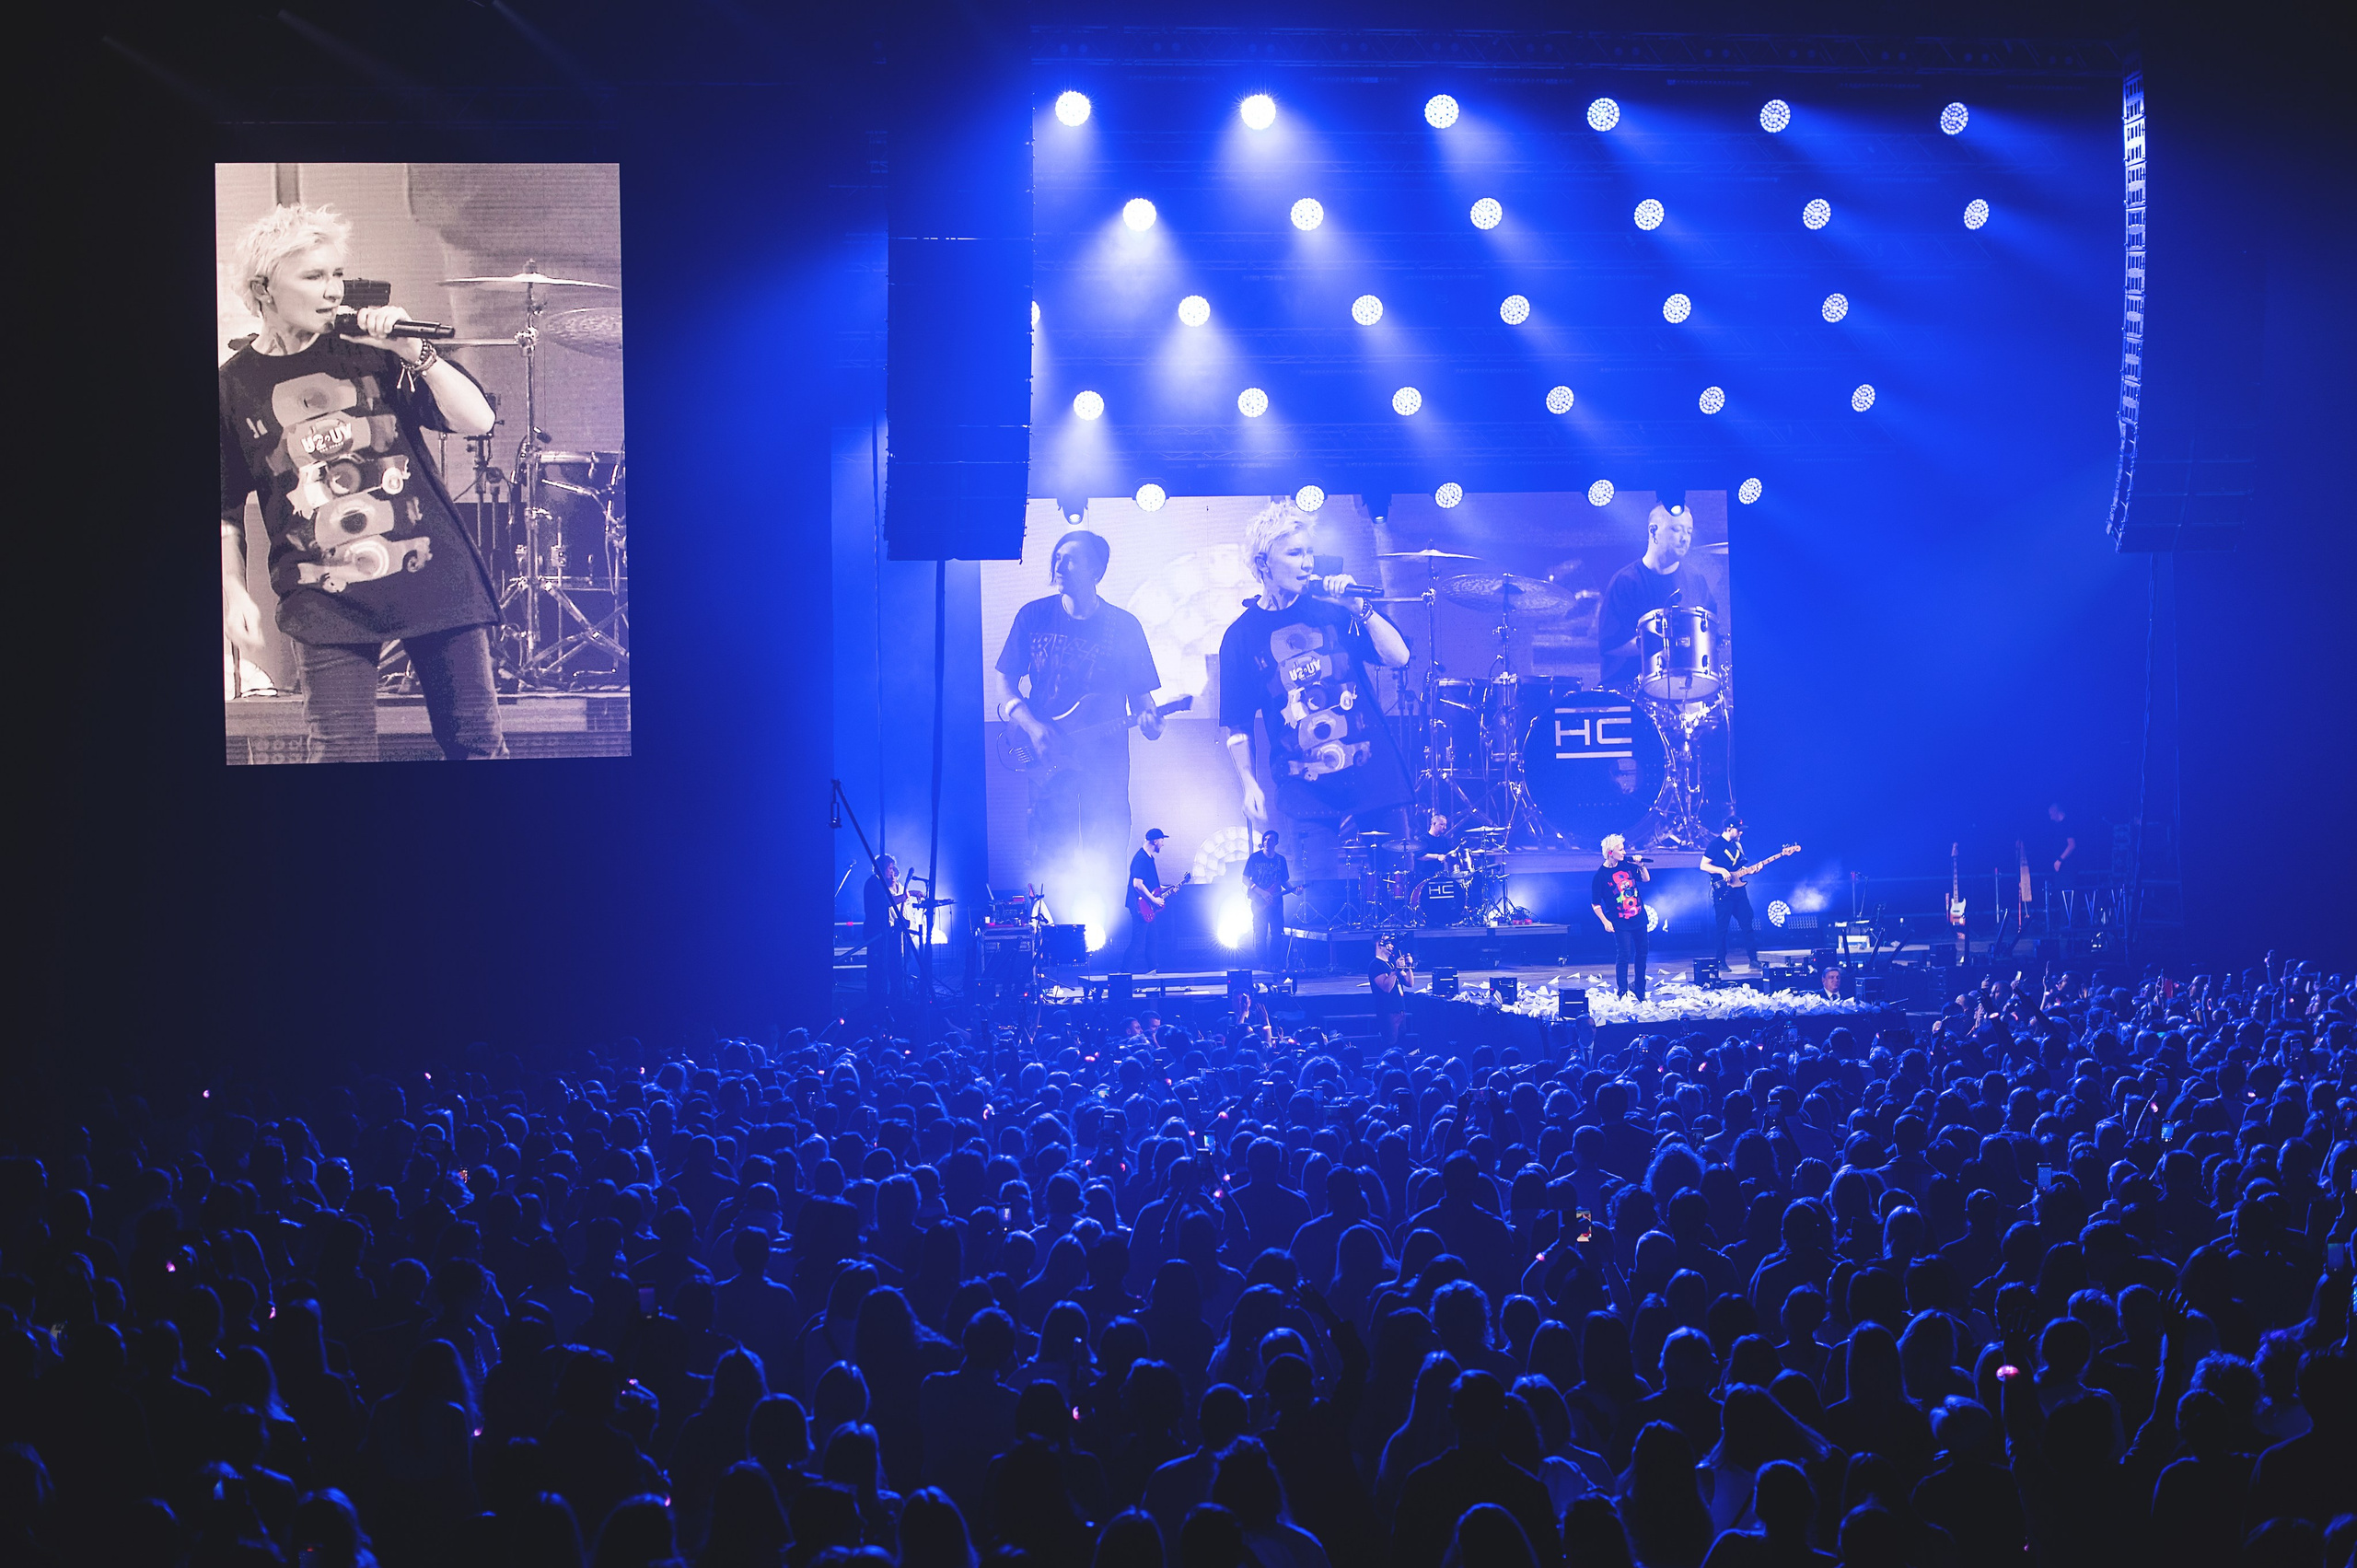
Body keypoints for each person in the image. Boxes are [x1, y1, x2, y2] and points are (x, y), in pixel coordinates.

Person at [219, 203, 505, 761]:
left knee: (476, 747)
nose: (332, 290)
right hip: (324, 596)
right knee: (340, 756)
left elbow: (479, 420)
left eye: (336, 274)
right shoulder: (232, 387)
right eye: (313, 276)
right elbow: (223, 507)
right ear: (264, 288)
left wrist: (412, 351)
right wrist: (231, 591)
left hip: (431, 573)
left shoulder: (372, 352)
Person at [1216, 500, 1413, 882]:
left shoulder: (1333, 612)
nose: (1308, 563)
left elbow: (1399, 657)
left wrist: (1360, 607)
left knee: (1394, 896)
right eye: (1295, 553)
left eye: (1309, 552)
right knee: (1317, 900)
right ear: (1263, 564)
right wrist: (1249, 783)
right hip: (1306, 792)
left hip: (1372, 776)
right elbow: (1237, 726)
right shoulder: (1240, 637)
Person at [994, 528, 1167, 879]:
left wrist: (1153, 724)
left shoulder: (1123, 626)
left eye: (1071, 558)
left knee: (1106, 855)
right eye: (1057, 556)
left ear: (1096, 571)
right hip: (1049, 760)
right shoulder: (1033, 616)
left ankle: (1108, 930)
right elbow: (1004, 682)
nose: (1060, 564)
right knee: (1051, 855)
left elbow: (1142, 700)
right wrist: (1032, 727)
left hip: (1106, 766)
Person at [1596, 502, 1719, 691]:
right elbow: (1610, 645)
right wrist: (1656, 643)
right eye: (1677, 530)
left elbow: (1711, 635)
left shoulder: (1695, 580)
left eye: (1689, 532)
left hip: (1685, 691)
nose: (1685, 538)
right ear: (1653, 532)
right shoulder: (1626, 582)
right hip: (1631, 692)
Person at [1590, 835, 1652, 1000]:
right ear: (1611, 852)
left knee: (1642, 952)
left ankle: (1639, 987)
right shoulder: (1600, 876)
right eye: (1621, 849)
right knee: (1624, 954)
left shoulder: (1627, 865)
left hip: (1638, 916)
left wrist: (1641, 865)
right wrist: (1605, 921)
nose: (1624, 852)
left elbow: (1646, 879)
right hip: (1619, 919)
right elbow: (1595, 904)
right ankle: (1622, 990)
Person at [1700, 819, 1759, 971]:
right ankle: (1720, 961)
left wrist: (1750, 870)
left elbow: (1739, 867)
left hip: (1739, 892)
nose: (1741, 832)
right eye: (1738, 830)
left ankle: (1753, 959)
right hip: (1723, 893)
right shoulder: (1715, 844)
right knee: (1722, 928)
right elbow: (1703, 865)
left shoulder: (1737, 845)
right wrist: (1721, 870)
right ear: (1728, 829)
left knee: (1747, 925)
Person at [1125, 830, 1180, 971]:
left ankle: (1152, 971)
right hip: (1140, 906)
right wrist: (1154, 901)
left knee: (1152, 940)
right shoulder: (1141, 859)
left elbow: (1151, 885)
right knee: (1138, 942)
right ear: (1155, 841)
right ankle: (1122, 974)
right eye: (1162, 841)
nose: (1163, 844)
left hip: (1146, 905)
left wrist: (1167, 888)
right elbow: (1137, 884)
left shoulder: (1148, 858)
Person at [1240, 831, 1295, 972]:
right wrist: (1261, 891)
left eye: (1270, 840)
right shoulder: (1255, 858)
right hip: (1259, 902)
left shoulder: (1280, 860)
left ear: (1276, 842)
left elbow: (1284, 881)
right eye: (1265, 839)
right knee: (1260, 934)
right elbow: (1245, 879)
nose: (1267, 842)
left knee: (1277, 934)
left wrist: (1295, 891)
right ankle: (1262, 963)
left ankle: (1274, 963)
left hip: (1276, 904)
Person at [864, 854, 911, 1005]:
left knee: (890, 965)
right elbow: (887, 901)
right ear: (883, 868)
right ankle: (876, 1000)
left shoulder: (879, 883)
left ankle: (891, 998)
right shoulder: (874, 883)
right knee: (877, 967)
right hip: (876, 932)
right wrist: (904, 897)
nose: (892, 872)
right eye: (890, 868)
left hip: (884, 932)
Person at [1369, 935, 1414, 1047]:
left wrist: (1408, 967)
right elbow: (1386, 987)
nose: (1392, 945)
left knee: (1401, 1044)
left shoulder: (1391, 964)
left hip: (1399, 1010)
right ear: (1379, 944)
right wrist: (1395, 971)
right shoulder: (1376, 965)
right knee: (1391, 1044)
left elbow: (1409, 983)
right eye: (1388, 942)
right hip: (1388, 1011)